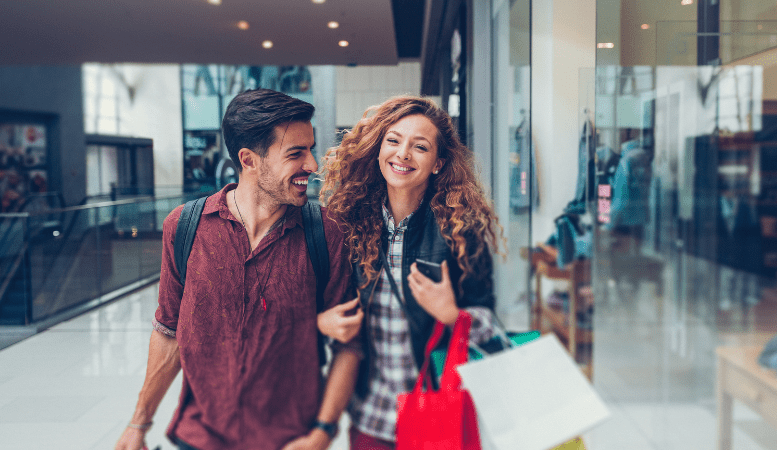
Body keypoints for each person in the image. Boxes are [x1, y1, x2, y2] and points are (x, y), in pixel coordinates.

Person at [115, 89, 362, 450]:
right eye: (296, 153)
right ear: (249, 159)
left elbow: (348, 346)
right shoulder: (184, 227)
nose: (312, 165)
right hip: (200, 436)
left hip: (289, 439)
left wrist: (321, 433)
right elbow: (169, 334)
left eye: (310, 149)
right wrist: (139, 422)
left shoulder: (326, 233)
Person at [317, 96, 502, 449]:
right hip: (371, 415)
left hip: (436, 408)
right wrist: (322, 321)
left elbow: (490, 323)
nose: (403, 154)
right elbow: (320, 302)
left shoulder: (462, 230)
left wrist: (453, 315)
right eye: (393, 140)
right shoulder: (348, 224)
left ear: (437, 163)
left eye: (420, 147)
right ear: (377, 149)